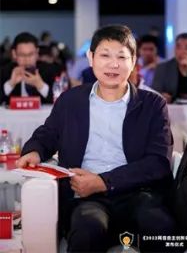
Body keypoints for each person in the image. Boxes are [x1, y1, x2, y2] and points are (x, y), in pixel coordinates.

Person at [16, 25, 175, 252]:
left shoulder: (152, 105)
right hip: (86, 196)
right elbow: (48, 134)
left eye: (121, 57)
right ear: (91, 58)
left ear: (133, 61)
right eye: (105, 55)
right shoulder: (70, 100)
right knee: (87, 231)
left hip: (140, 193)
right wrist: (34, 151)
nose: (113, 64)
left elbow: (158, 162)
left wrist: (104, 181)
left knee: (161, 229)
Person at [1, 32, 58, 105]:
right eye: (22, 55)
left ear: (37, 53)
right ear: (14, 54)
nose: (27, 59)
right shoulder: (4, 71)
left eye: (30, 54)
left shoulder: (49, 70)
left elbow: (62, 101)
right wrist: (10, 84)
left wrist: (41, 86)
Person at [151, 33, 187, 102]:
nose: (182, 52)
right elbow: (155, 92)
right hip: (171, 106)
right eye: (178, 47)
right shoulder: (162, 68)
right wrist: (162, 96)